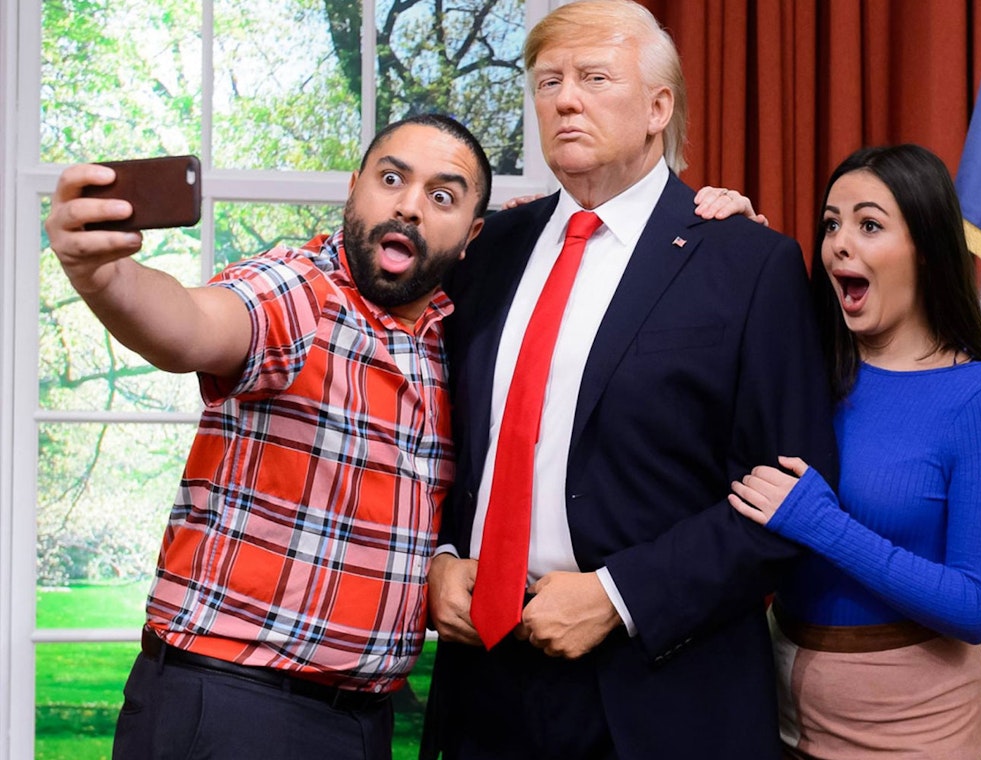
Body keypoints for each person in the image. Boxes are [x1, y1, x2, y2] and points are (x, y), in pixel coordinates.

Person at [421, 1, 838, 758]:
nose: (565, 99)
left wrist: (618, 598)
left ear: (658, 107)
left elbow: (792, 494)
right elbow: (439, 434)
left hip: (663, 694)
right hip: (483, 686)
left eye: (592, 77)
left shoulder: (747, 263)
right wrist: (442, 559)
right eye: (548, 81)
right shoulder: (488, 250)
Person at [44, 113, 493, 760]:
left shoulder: (450, 337)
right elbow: (194, 325)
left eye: (441, 195)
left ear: (472, 233)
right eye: (391, 178)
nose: (410, 206)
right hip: (231, 710)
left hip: (363, 722)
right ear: (354, 187)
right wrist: (103, 277)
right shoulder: (302, 291)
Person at [729, 144, 981, 760]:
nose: (840, 243)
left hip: (914, 734)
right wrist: (729, 243)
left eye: (869, 225)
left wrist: (823, 525)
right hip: (775, 710)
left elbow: (978, 607)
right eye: (831, 224)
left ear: (926, 248)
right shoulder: (810, 370)